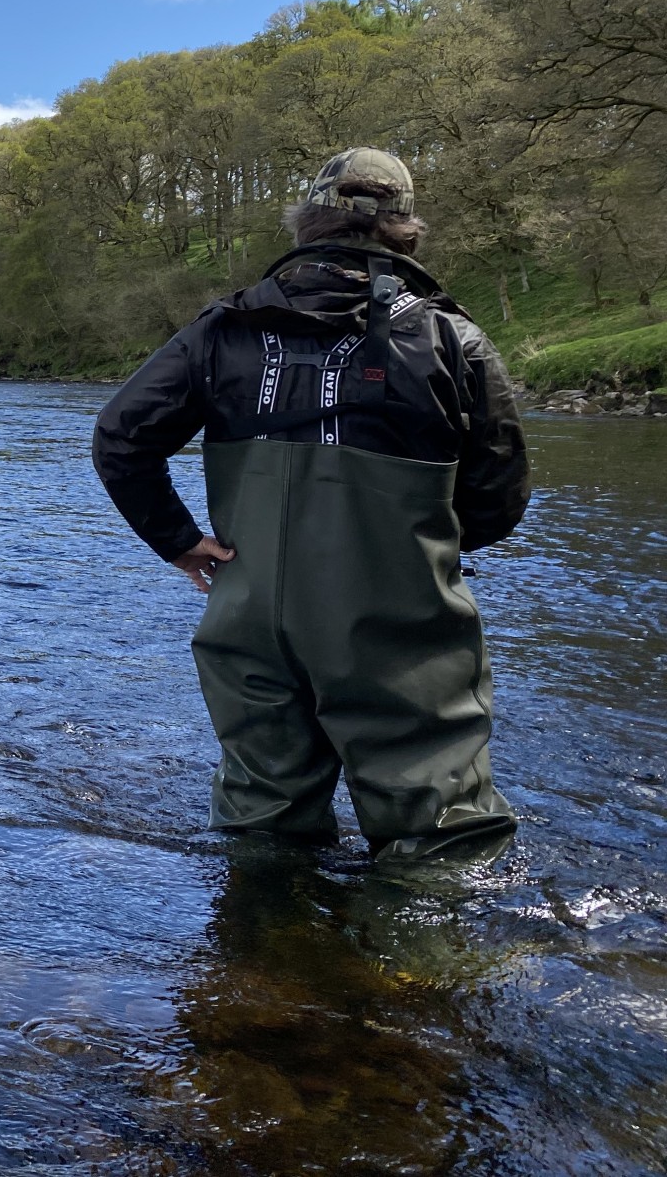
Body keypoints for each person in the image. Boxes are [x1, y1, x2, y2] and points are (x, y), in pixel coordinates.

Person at [92, 148, 531, 858]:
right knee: (438, 829)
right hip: (397, 623)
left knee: (263, 819)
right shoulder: (455, 340)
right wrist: (415, 548)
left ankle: (262, 955)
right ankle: (415, 968)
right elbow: (501, 495)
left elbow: (120, 437)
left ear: (308, 222)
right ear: (405, 227)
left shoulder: (222, 330)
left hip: (249, 615)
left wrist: (178, 541)